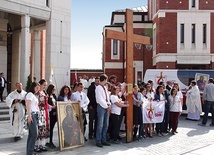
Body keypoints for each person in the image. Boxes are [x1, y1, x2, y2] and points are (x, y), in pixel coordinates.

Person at [95, 74, 111, 147]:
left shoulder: (105, 87)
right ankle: (98, 140)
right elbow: (100, 99)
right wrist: (106, 106)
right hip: (101, 107)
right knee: (100, 124)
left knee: (105, 124)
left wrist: (109, 104)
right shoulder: (98, 88)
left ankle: (103, 139)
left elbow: (107, 97)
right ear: (104, 80)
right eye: (106, 80)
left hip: (106, 106)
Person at [34, 79, 49, 152]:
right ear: (40, 85)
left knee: (43, 128)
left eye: (46, 85)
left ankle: (42, 144)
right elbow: (36, 103)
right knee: (39, 128)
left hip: (45, 112)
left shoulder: (43, 92)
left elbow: (46, 103)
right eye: (44, 85)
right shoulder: (37, 93)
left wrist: (51, 107)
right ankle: (36, 145)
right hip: (39, 112)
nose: (45, 87)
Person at [26, 82, 40, 155]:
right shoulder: (30, 94)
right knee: (34, 134)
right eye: (36, 87)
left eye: (38, 88)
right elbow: (28, 106)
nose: (37, 89)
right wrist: (29, 116)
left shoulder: (33, 95)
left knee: (31, 135)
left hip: (35, 115)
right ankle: (30, 152)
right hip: (32, 115)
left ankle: (29, 152)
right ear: (33, 87)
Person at [45, 84, 57, 148]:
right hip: (50, 114)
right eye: (53, 89)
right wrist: (52, 107)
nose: (54, 90)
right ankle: (49, 141)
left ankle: (50, 141)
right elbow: (47, 105)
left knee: (52, 128)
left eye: (54, 89)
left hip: (55, 114)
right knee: (50, 128)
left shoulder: (54, 96)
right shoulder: (47, 96)